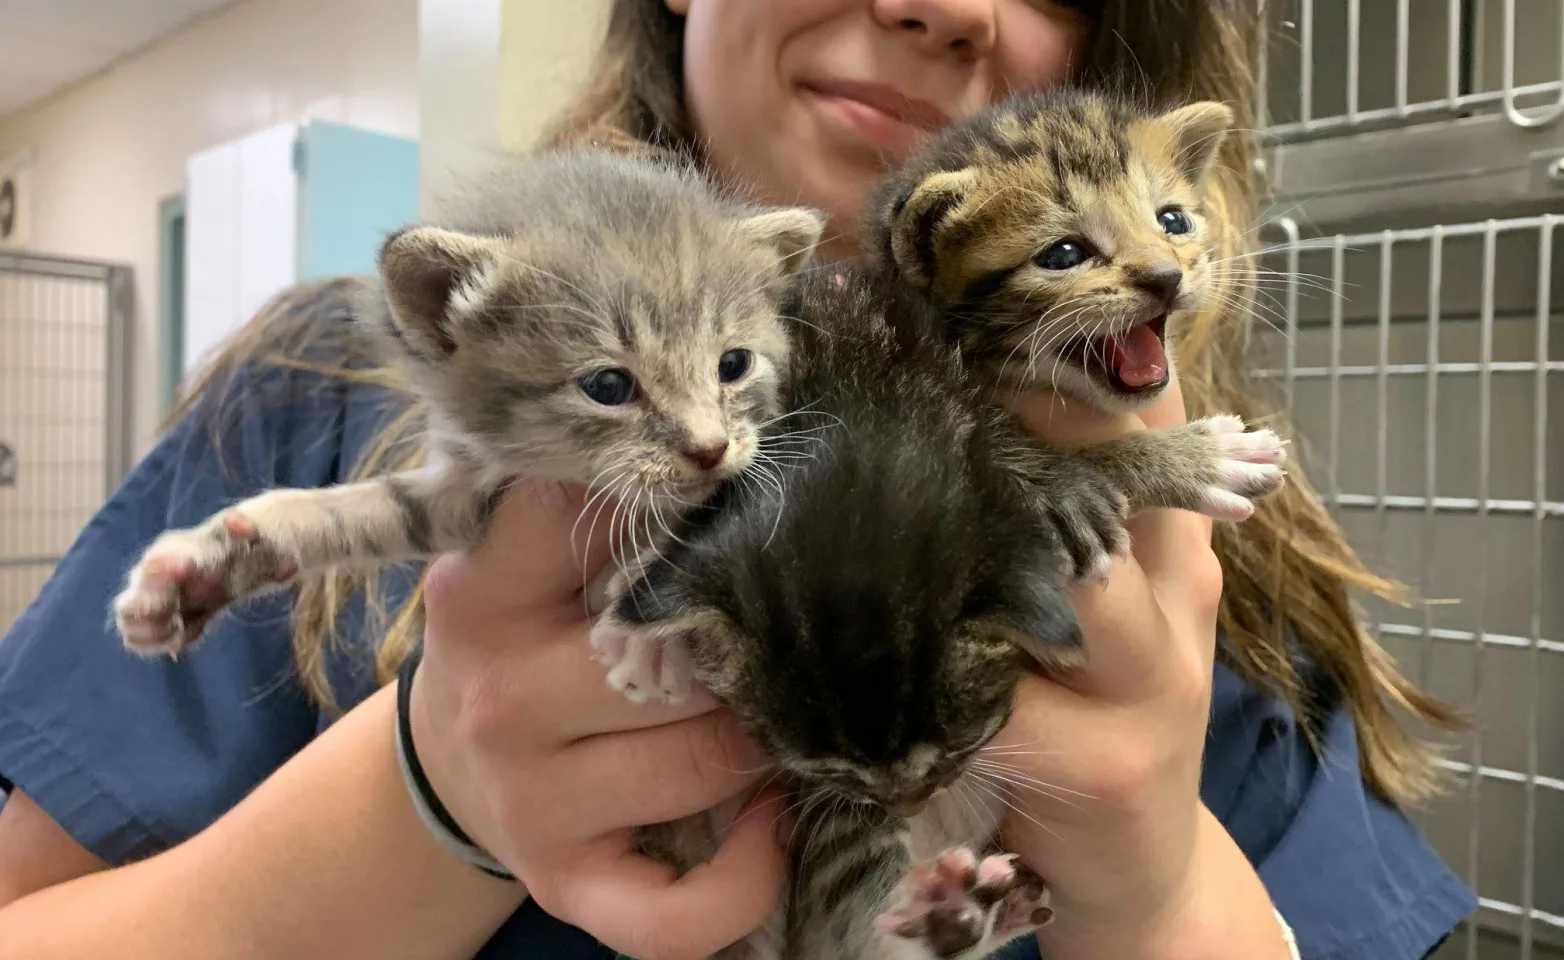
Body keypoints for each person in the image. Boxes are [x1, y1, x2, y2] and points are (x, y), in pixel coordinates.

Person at [0, 2, 1477, 958]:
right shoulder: (328, 395)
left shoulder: (1198, 557)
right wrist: (427, 799)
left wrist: (1156, 896)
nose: (936, 2)